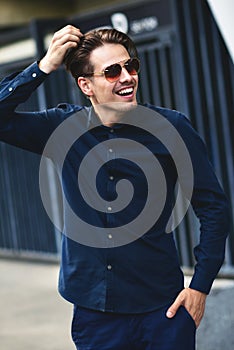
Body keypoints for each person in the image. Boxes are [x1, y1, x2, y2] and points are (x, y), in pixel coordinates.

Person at [0, 25, 230, 350]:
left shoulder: (173, 128)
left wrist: (201, 286)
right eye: (111, 71)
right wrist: (43, 66)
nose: (126, 77)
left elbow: (213, 208)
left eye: (130, 66)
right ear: (86, 85)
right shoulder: (62, 128)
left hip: (163, 310)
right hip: (96, 315)